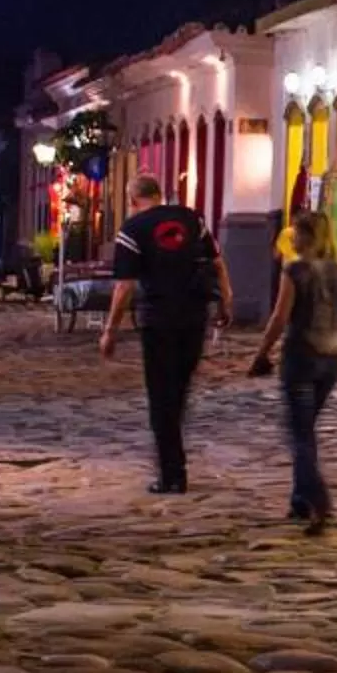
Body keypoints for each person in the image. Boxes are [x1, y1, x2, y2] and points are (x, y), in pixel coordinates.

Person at [100, 174, 232, 494]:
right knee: (180, 390)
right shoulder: (191, 219)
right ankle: (174, 463)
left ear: (133, 200)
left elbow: (125, 286)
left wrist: (110, 331)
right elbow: (217, 263)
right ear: (160, 194)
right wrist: (226, 301)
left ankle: (172, 474)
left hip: (158, 320)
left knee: (162, 397)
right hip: (194, 316)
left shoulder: (132, 230)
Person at [250, 209, 337, 534]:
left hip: (301, 359)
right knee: (305, 430)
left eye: (298, 234)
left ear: (310, 237)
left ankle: (319, 500)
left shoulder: (296, 271)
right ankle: (299, 500)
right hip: (330, 362)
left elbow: (279, 318)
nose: (294, 239)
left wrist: (261, 354)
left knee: (300, 434)